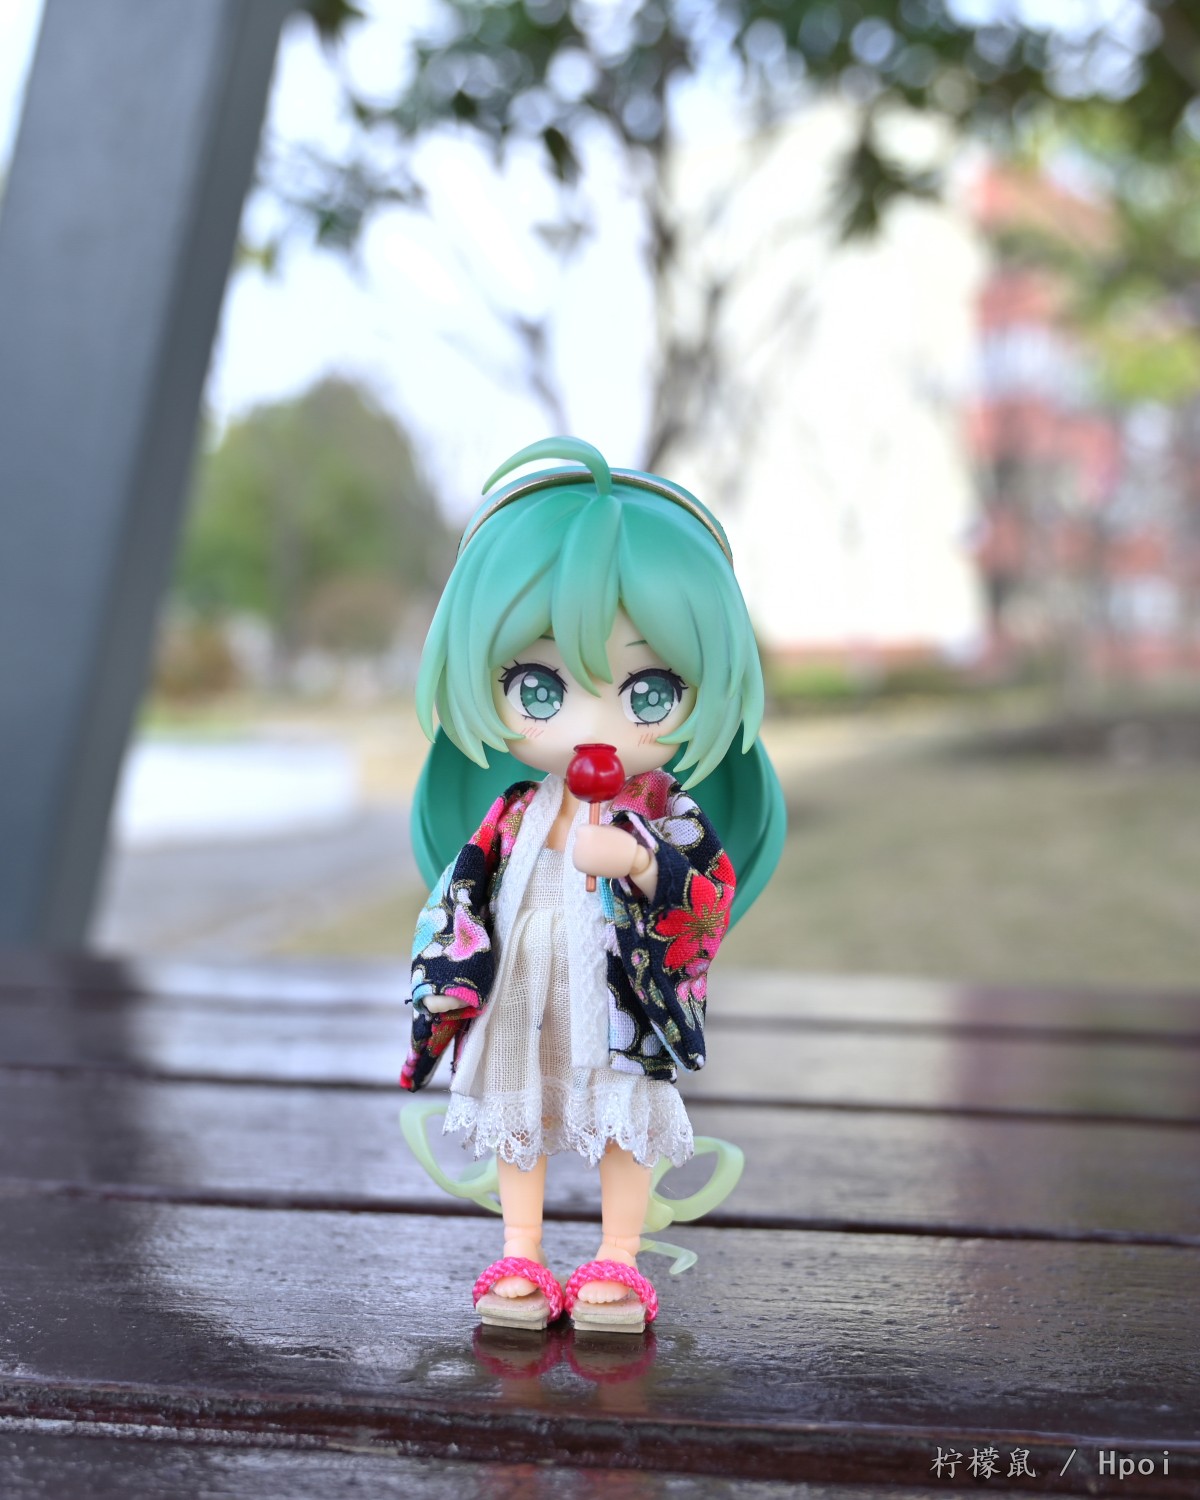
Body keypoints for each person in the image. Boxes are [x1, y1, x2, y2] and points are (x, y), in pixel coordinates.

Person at [400, 435, 784, 1331]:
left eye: (650, 691)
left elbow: (706, 897)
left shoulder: (662, 813)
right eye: (539, 687)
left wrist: (645, 864)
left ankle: (617, 1252)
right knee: (517, 1105)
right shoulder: (514, 814)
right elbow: (463, 895)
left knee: (623, 1111)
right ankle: (521, 1249)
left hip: (619, 993)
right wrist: (453, 975)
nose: (591, 722)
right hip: (523, 987)